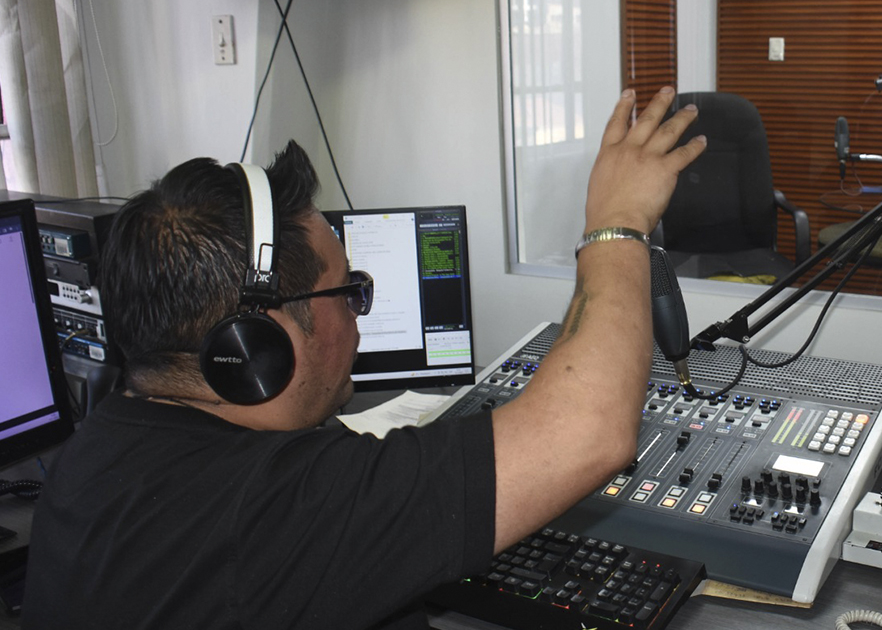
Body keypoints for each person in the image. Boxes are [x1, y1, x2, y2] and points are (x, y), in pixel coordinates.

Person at [23, 86, 707, 629]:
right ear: (257, 341)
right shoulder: (277, 509)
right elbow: (588, 431)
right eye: (351, 292)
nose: (358, 317)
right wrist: (617, 224)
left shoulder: (96, 452)